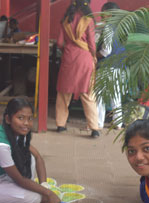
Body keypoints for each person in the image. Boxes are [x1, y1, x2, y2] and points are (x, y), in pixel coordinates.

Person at [55, 0, 100, 138]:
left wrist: (68, 49)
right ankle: (94, 128)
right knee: (87, 93)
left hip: (69, 58)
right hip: (85, 59)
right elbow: (92, 44)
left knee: (64, 93)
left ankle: (61, 125)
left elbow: (59, 43)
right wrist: (93, 55)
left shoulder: (66, 20)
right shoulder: (88, 20)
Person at [96, 2, 124, 130]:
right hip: (119, 65)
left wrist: (95, 56)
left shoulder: (108, 28)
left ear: (109, 13)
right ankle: (118, 123)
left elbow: (106, 50)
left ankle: (98, 123)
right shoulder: (123, 28)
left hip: (106, 65)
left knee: (100, 95)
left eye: (103, 13)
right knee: (116, 95)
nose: (101, 15)